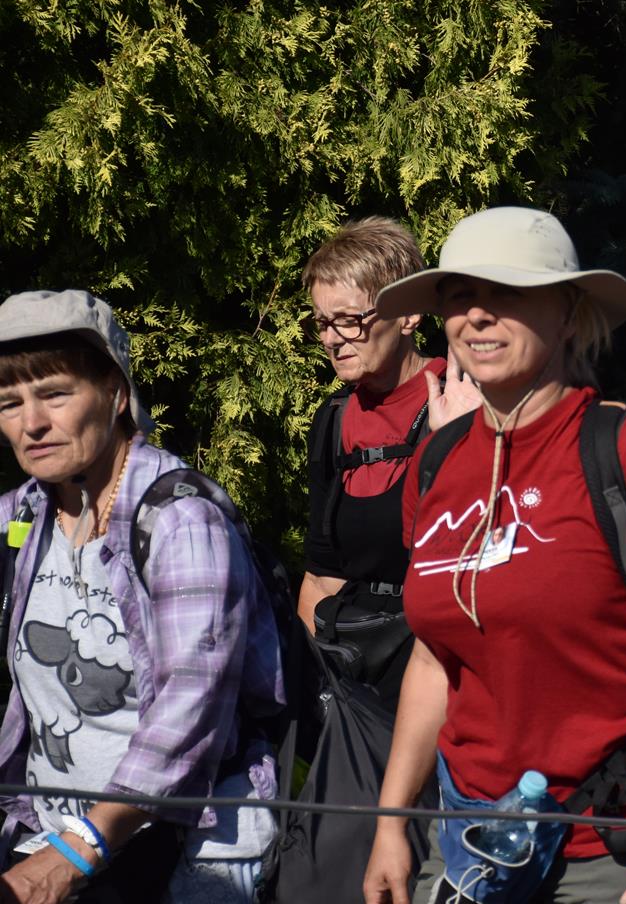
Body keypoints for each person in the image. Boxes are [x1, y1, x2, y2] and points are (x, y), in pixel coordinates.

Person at [361, 207, 626, 904]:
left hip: (613, 843)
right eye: (459, 296)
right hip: (469, 837)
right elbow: (434, 658)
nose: (477, 315)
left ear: (568, 313)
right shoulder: (436, 464)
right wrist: (391, 823)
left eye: (506, 292)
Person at [0, 290, 284, 902]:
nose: (31, 423)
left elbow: (192, 702)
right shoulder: (22, 516)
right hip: (51, 833)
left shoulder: (182, 521)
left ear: (115, 393)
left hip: (183, 846)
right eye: (9, 403)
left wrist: (79, 849)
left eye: (55, 394)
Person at [301, 216, 476, 701]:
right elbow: (321, 577)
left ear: (408, 315)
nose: (332, 339)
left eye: (349, 320)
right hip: (356, 682)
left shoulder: (463, 403)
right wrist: (313, 694)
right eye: (322, 323)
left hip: (446, 676)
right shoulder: (333, 421)